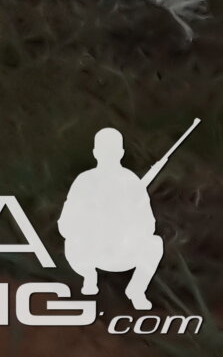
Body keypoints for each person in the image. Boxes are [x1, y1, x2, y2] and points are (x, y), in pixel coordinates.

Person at [59, 126, 165, 310]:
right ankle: (89, 277)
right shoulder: (85, 181)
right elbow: (66, 223)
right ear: (95, 152)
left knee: (155, 244)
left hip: (124, 251)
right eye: (104, 150)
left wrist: (128, 226)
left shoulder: (131, 182)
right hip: (92, 251)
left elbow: (148, 224)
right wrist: (91, 224)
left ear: (121, 152)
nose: (108, 154)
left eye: (112, 150)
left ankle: (136, 290)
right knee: (71, 243)